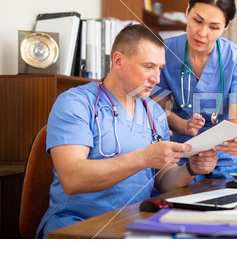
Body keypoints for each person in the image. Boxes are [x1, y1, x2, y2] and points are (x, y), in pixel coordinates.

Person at [36, 25, 218, 238]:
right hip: (76, 226)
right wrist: (144, 157)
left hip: (133, 224)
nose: (157, 79)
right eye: (148, 67)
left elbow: (164, 182)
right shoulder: (75, 103)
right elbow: (72, 179)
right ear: (118, 60)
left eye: (160, 68)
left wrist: (191, 168)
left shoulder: (154, 112)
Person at [152, 0, 237, 181]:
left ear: (226, 27)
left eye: (214, 27)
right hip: (185, 155)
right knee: (182, 208)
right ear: (187, 11)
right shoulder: (165, 52)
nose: (202, 33)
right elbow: (157, 112)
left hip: (230, 159)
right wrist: (184, 125)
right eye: (197, 21)